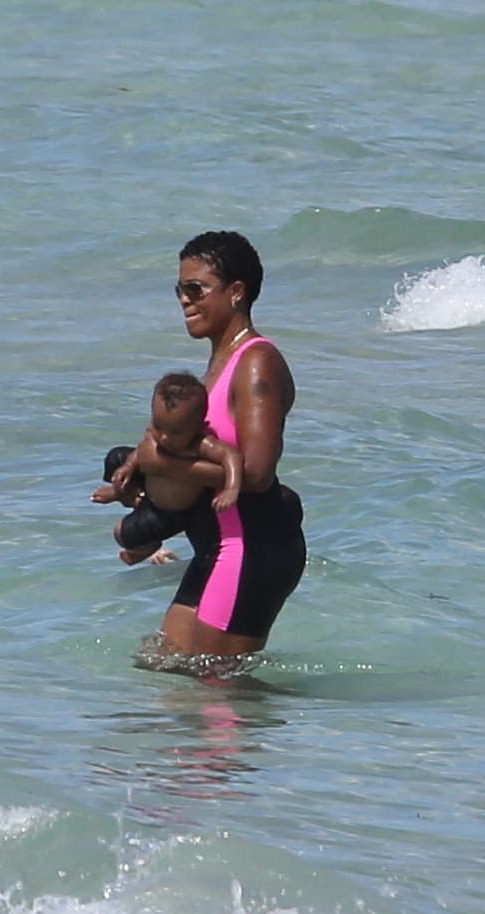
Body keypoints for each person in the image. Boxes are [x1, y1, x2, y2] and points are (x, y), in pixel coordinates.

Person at [99, 230, 306, 658]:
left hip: (251, 548)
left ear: (235, 292)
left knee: (216, 695)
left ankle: (313, 720)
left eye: (196, 289)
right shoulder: (218, 363)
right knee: (164, 669)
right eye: (180, 289)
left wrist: (164, 465)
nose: (184, 300)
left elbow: (256, 474)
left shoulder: (256, 363)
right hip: (215, 546)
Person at [92, 372, 243, 565]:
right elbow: (143, 449)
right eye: (158, 426)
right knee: (116, 459)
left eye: (175, 433)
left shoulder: (201, 444)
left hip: (170, 511)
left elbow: (231, 456)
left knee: (122, 534)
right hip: (149, 486)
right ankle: (123, 492)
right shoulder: (158, 434)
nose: (163, 437)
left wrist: (232, 488)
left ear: (199, 427)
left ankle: (147, 548)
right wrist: (129, 466)